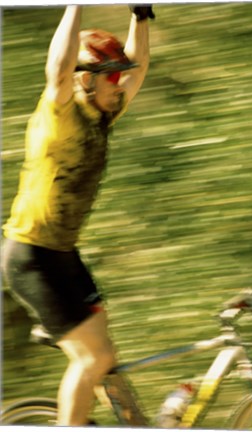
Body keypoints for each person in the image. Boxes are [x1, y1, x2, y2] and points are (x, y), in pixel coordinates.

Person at [2, 4, 154, 426]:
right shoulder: (60, 112)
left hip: (63, 254)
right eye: (111, 76)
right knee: (95, 358)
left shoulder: (103, 114)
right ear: (85, 80)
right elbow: (59, 66)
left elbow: (138, 71)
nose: (120, 84)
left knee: (109, 364)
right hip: (31, 257)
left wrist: (141, 17)